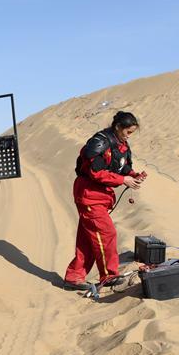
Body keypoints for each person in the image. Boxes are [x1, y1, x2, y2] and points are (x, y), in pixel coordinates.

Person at [64, 111, 146, 291]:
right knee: (106, 233)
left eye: (132, 133)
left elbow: (122, 167)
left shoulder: (122, 144)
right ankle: (109, 276)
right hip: (89, 195)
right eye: (128, 132)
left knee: (88, 239)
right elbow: (96, 173)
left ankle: (74, 277)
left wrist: (133, 175)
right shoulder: (100, 142)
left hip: (102, 196)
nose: (129, 136)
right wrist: (123, 180)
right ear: (118, 127)